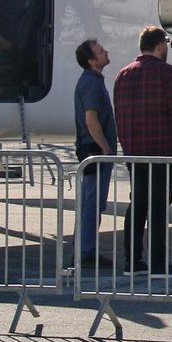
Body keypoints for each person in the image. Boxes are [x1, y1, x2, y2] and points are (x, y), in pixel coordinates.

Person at [113, 25, 172, 273]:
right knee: (159, 207)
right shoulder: (167, 73)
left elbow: (119, 115)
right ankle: (159, 263)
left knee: (137, 204)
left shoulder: (123, 74)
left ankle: (132, 261)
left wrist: (126, 144)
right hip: (162, 151)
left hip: (134, 151)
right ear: (160, 45)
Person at [71, 38, 115, 268]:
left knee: (92, 204)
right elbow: (91, 119)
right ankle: (85, 252)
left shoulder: (92, 81)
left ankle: (85, 249)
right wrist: (105, 148)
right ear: (91, 60)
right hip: (95, 152)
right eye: (100, 51)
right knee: (92, 204)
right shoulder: (91, 84)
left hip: (92, 150)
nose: (105, 51)